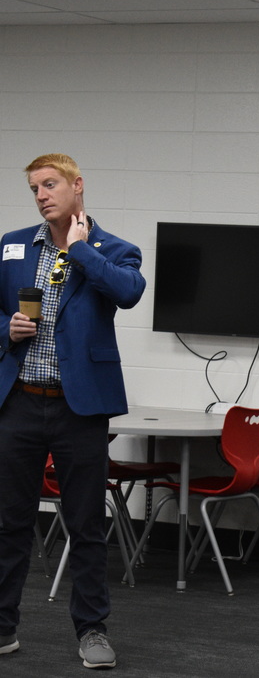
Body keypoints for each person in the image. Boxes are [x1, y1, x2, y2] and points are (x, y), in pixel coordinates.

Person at [0, 153, 145, 670]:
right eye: (35, 187)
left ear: (77, 185)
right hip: (18, 403)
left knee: (84, 524)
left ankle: (92, 631)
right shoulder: (13, 245)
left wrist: (81, 250)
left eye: (50, 184)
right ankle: (3, 629)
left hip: (79, 409)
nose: (41, 195)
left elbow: (128, 293)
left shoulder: (115, 250)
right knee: (10, 521)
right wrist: (6, 329)